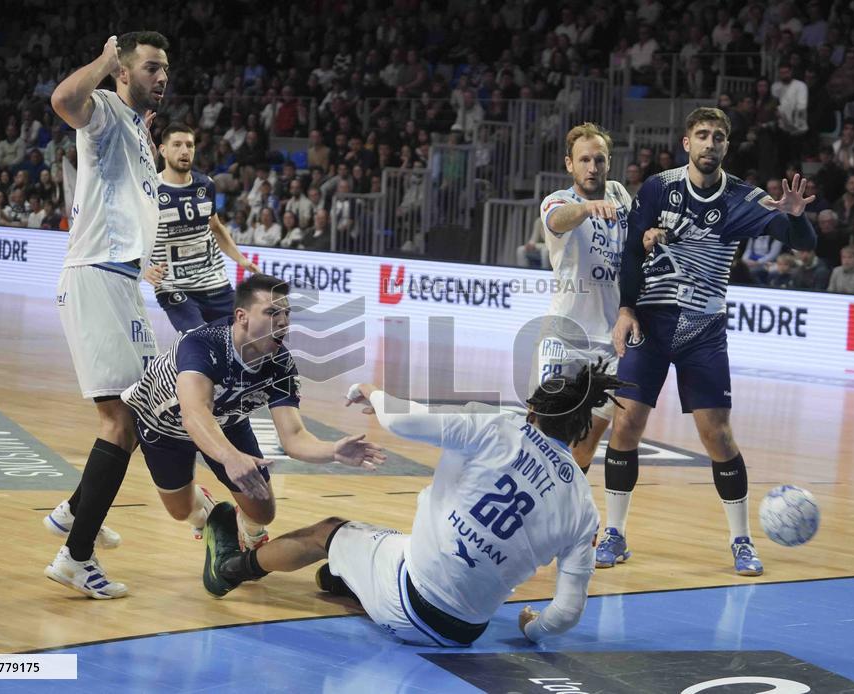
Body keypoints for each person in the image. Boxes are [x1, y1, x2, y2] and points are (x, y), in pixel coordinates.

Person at [202, 361, 630, 647]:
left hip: (407, 598)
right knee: (395, 545)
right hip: (466, 633)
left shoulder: (498, 429)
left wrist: (370, 389)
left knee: (327, 531)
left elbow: (403, 420)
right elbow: (569, 611)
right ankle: (346, 580)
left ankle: (229, 570)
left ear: (532, 410)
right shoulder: (583, 505)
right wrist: (534, 630)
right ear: (583, 426)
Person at [604, 107, 817, 577]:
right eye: (702, 135)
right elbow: (631, 252)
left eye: (719, 137)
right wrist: (625, 310)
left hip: (703, 330)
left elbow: (801, 240)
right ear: (687, 143)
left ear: (726, 147)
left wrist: (797, 218)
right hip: (651, 325)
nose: (710, 143)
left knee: (716, 435)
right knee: (625, 426)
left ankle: (741, 541)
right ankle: (615, 534)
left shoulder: (746, 198)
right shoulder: (659, 187)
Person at [122, 274, 385, 554]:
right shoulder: (204, 344)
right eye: (272, 313)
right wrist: (230, 457)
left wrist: (333, 451)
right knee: (181, 510)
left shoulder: (281, 365)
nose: (283, 321)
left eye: (286, 313)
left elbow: (294, 437)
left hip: (229, 422)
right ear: (242, 316)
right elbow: (195, 415)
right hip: (164, 425)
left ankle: (248, 535)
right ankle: (208, 515)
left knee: (263, 512)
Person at [43, 32, 169, 599]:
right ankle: (75, 554)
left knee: (141, 413)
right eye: (150, 67)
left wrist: (150, 261)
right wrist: (100, 60)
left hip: (123, 284)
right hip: (95, 277)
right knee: (120, 422)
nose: (161, 77)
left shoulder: (141, 131)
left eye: (165, 69)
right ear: (124, 70)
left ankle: (76, 512)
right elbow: (65, 102)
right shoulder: (109, 111)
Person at [530, 122, 630, 473]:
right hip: (564, 337)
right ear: (569, 164)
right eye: (584, 160)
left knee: (585, 447)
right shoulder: (558, 201)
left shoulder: (620, 195)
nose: (593, 167)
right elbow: (558, 220)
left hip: (610, 343)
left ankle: (567, 511)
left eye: (599, 159)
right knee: (542, 434)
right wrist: (588, 209)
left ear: (609, 162)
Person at [143, 123, 259, 334]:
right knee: (201, 340)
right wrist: (143, 268)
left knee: (247, 335)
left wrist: (241, 259)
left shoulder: (206, 184)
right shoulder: (149, 190)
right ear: (163, 150)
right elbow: (131, 234)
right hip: (174, 287)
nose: (185, 151)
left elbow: (215, 227)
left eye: (190, 145)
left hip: (215, 282)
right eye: (177, 145)